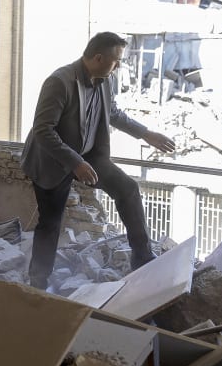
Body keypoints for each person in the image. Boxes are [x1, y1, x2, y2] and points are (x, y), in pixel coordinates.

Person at [20, 31, 176, 290]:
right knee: (50, 223)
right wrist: (75, 163)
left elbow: (112, 113)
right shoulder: (59, 81)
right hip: (52, 160)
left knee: (128, 189)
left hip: (89, 155)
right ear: (99, 57)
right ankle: (38, 282)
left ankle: (143, 257)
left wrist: (146, 134)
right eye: (116, 60)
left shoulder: (105, 80)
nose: (119, 65)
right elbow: (43, 130)